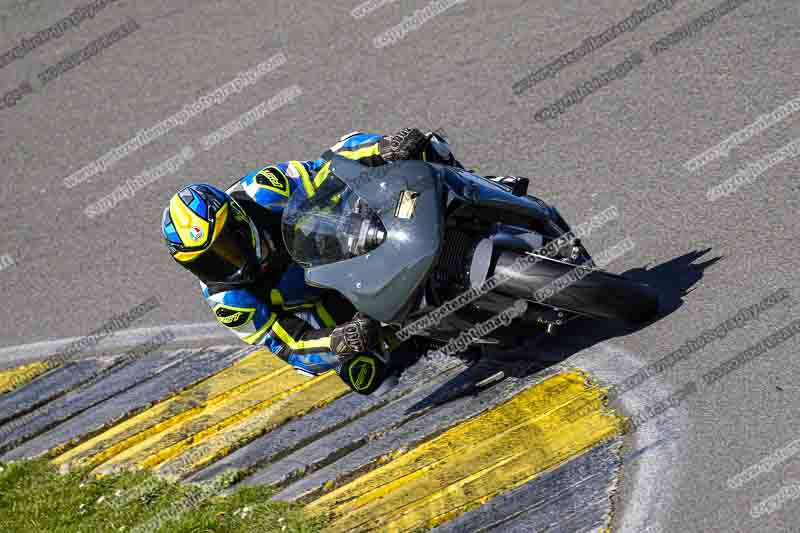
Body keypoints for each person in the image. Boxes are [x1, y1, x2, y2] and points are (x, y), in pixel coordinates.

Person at [161, 128, 526, 394]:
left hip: (345, 234)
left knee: (421, 146)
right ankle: (436, 334)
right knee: (369, 376)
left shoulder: (262, 190)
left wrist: (383, 148)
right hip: (329, 300)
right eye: (207, 262)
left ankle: (481, 185)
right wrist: (337, 342)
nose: (226, 264)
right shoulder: (227, 300)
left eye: (225, 247)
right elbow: (288, 345)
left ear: (239, 221)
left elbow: (330, 166)